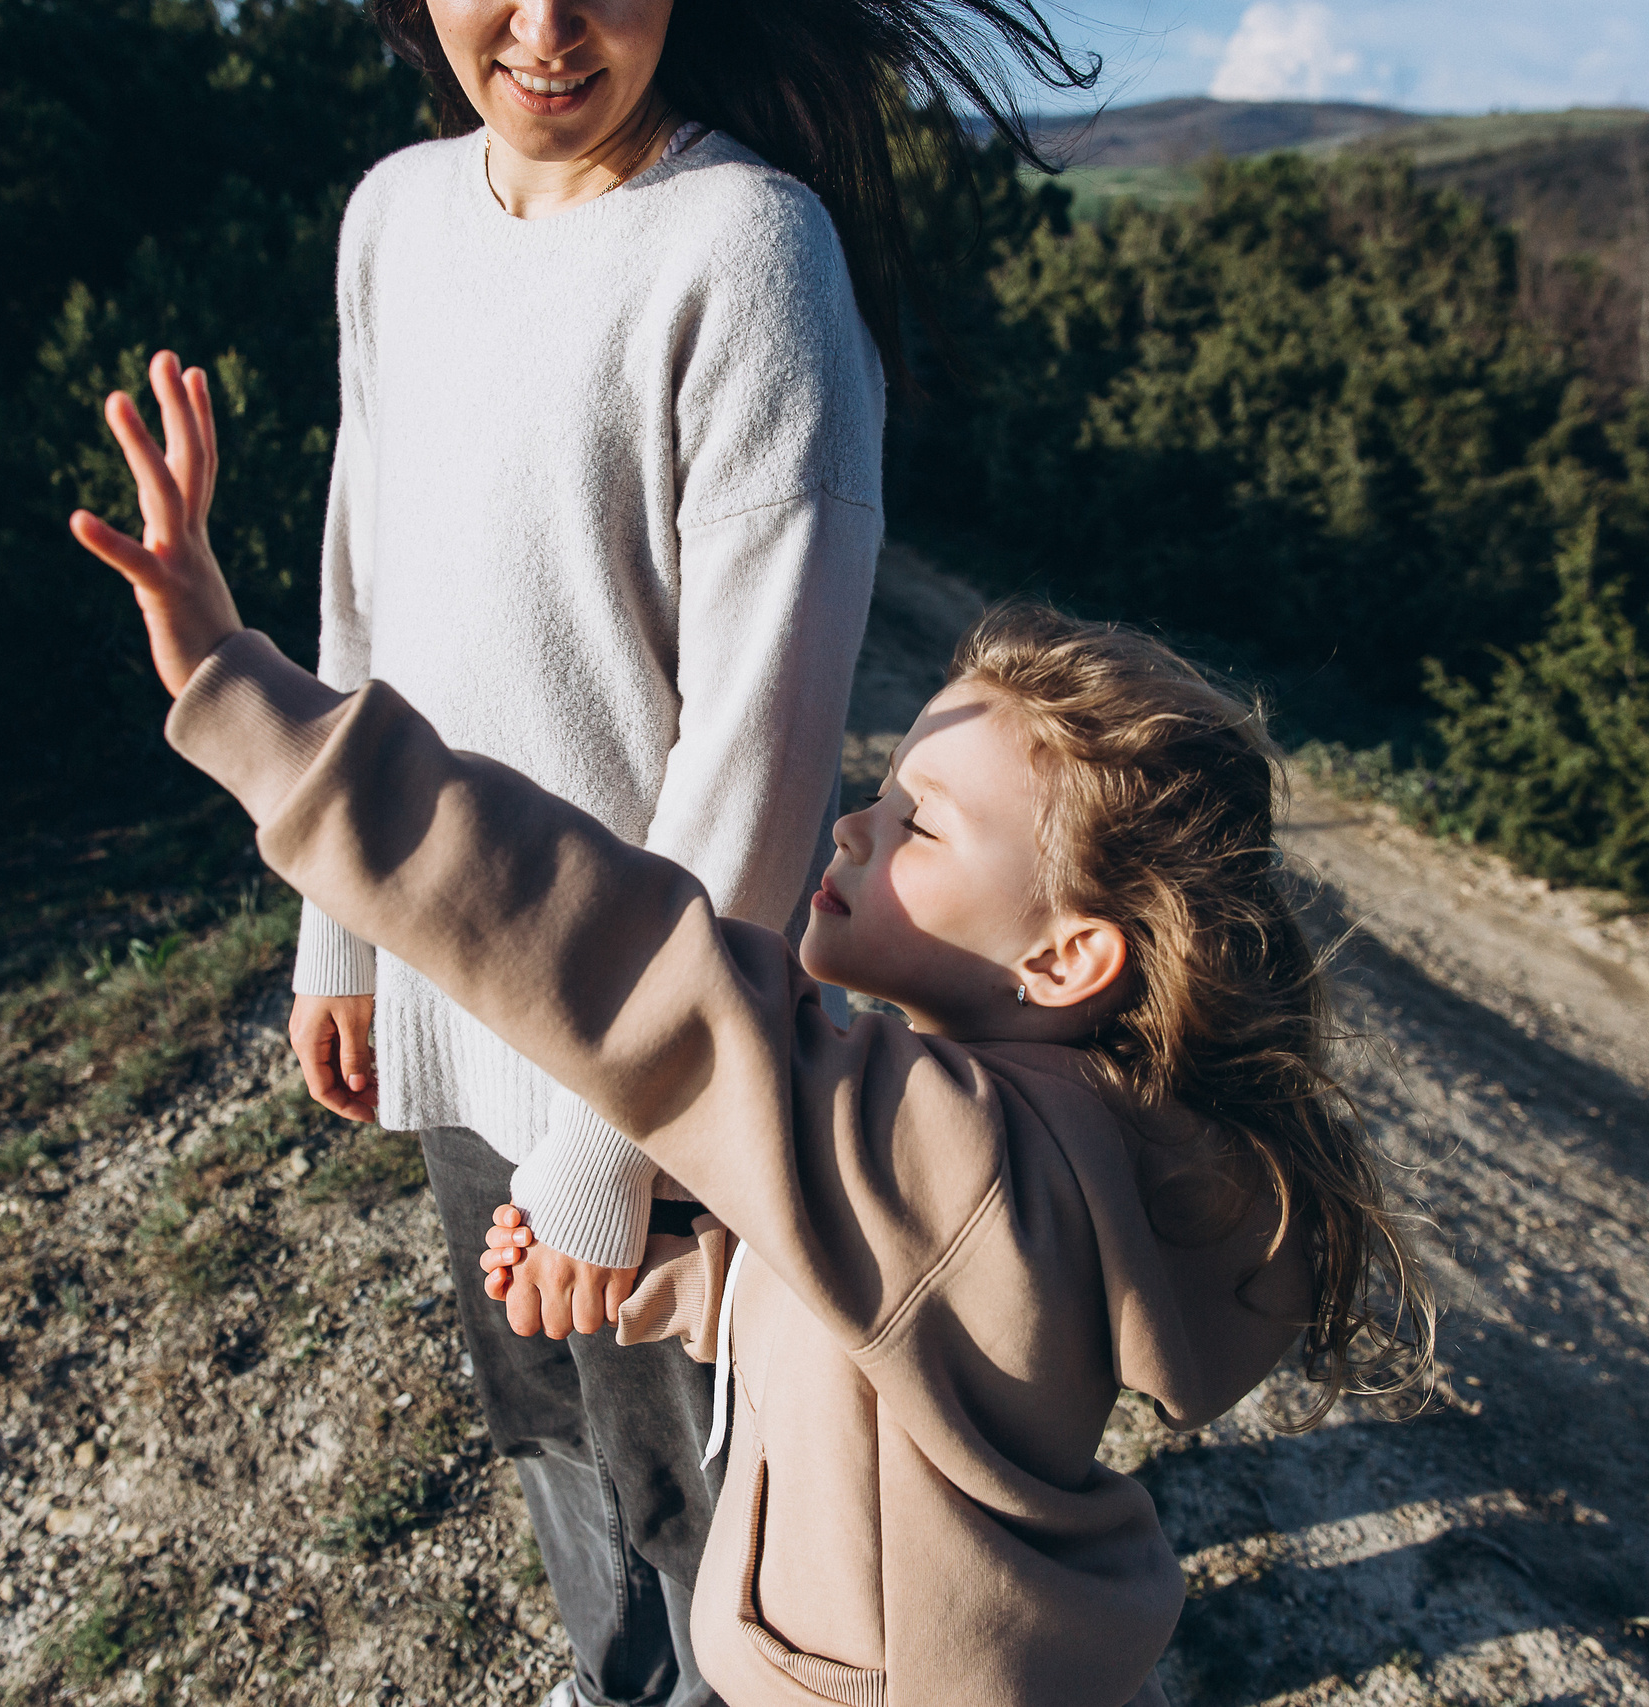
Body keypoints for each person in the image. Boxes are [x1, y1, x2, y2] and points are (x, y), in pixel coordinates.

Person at [70, 357, 1435, 1707]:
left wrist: (251, 701)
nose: (854, 824)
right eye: (884, 792)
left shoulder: (950, 1146)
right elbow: (907, 1338)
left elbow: (607, 950)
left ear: (1068, 953)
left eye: (919, 826)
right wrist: (688, 1288)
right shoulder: (1069, 1143)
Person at [263, 3, 1093, 1703]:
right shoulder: (393, 216)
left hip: (666, 1064)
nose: (551, 27)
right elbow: (365, 583)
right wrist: (338, 934)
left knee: (709, 1481)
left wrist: (608, 1148)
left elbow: (757, 769)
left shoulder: (749, 248)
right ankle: (618, 1679)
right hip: (459, 985)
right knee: (545, 1418)